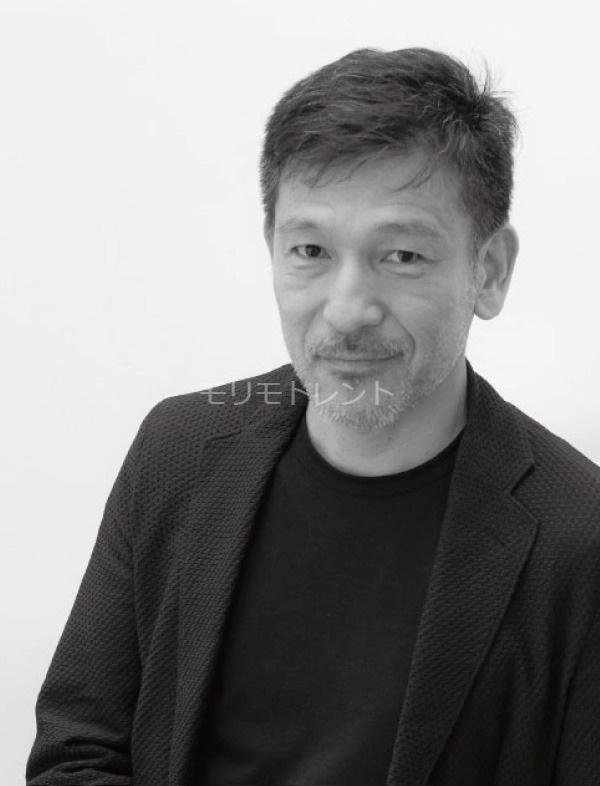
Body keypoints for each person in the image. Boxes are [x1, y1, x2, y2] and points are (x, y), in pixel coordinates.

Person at [26, 47, 600, 786]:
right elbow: (75, 752)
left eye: (401, 255)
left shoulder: (579, 537)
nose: (347, 310)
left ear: (488, 271)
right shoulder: (178, 449)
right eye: (310, 250)